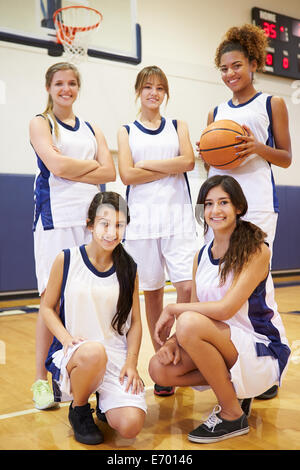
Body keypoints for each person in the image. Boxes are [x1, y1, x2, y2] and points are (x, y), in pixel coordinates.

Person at [149, 175, 290, 444]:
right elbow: (203, 310)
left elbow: (224, 309)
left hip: (263, 350)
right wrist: (174, 342)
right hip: (225, 344)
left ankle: (231, 414)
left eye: (223, 202)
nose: (215, 210)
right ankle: (236, 389)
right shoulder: (201, 256)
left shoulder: (257, 250)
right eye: (209, 203)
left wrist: (174, 309)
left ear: (238, 207)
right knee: (159, 368)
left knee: (188, 321)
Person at [201, 24, 292, 399]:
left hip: (255, 202)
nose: (230, 74)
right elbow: (211, 165)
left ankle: (271, 358)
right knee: (220, 280)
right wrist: (206, 152)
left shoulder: (272, 103)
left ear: (253, 64)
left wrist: (257, 147)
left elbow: (285, 158)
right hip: (221, 206)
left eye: (236, 66)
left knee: (257, 283)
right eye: (224, 69)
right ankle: (231, 358)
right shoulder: (215, 111)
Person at [29, 62, 116, 410]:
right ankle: (40, 379)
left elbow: (109, 171)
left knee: (86, 296)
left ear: (78, 88)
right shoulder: (41, 123)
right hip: (54, 220)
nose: (66, 89)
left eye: (72, 83)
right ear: (49, 87)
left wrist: (72, 167)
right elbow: (56, 166)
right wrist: (87, 169)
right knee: (51, 300)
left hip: (89, 221)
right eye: (59, 83)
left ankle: (81, 371)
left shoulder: (92, 127)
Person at [41, 191, 146, 445]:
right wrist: (66, 339)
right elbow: (46, 307)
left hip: (114, 355)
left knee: (131, 426)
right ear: (90, 224)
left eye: (119, 225)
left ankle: (105, 403)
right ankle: (79, 408)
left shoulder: (129, 268)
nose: (112, 232)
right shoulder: (66, 259)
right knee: (93, 353)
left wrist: (131, 363)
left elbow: (135, 323)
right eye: (105, 224)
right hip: (77, 353)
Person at [117, 65, 197, 397]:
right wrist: (168, 166)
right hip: (143, 221)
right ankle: (163, 362)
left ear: (166, 93)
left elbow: (189, 162)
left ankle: (181, 347)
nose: (154, 92)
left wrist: (146, 166)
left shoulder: (178, 125)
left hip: (178, 217)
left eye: (160, 88)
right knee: (150, 291)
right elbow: (126, 176)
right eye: (148, 87)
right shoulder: (126, 131)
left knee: (187, 286)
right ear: (139, 91)